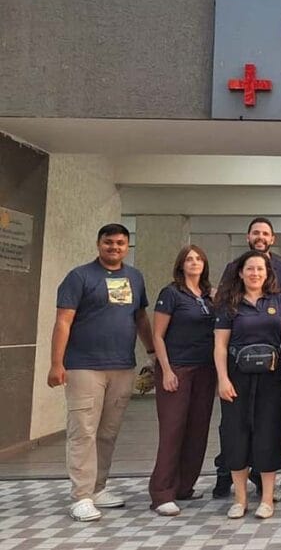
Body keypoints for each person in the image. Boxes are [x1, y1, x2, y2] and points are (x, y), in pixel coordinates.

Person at [48, 223, 156, 522]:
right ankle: (80, 496)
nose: (114, 248)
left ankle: (98, 488)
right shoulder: (79, 277)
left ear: (127, 246)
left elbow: (140, 318)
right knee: (83, 430)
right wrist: (56, 363)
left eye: (121, 243)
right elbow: (63, 322)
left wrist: (151, 352)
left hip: (122, 366)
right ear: (99, 244)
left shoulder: (134, 277)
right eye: (109, 243)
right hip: (84, 366)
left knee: (108, 432)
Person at [213, 217, 281, 500]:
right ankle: (238, 496)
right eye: (250, 269)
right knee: (235, 430)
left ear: (268, 272)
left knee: (268, 430)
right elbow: (220, 345)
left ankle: (267, 496)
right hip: (236, 374)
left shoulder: (279, 300)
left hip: (272, 375)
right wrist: (222, 378)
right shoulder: (228, 303)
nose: (255, 273)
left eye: (260, 269)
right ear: (240, 272)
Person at [148, 245, 217, 517]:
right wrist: (165, 370)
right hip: (177, 368)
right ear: (181, 264)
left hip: (205, 370)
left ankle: (184, 487)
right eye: (189, 259)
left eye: (199, 258)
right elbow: (158, 335)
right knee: (172, 431)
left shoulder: (209, 296)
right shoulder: (171, 293)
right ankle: (161, 493)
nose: (194, 262)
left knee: (197, 430)